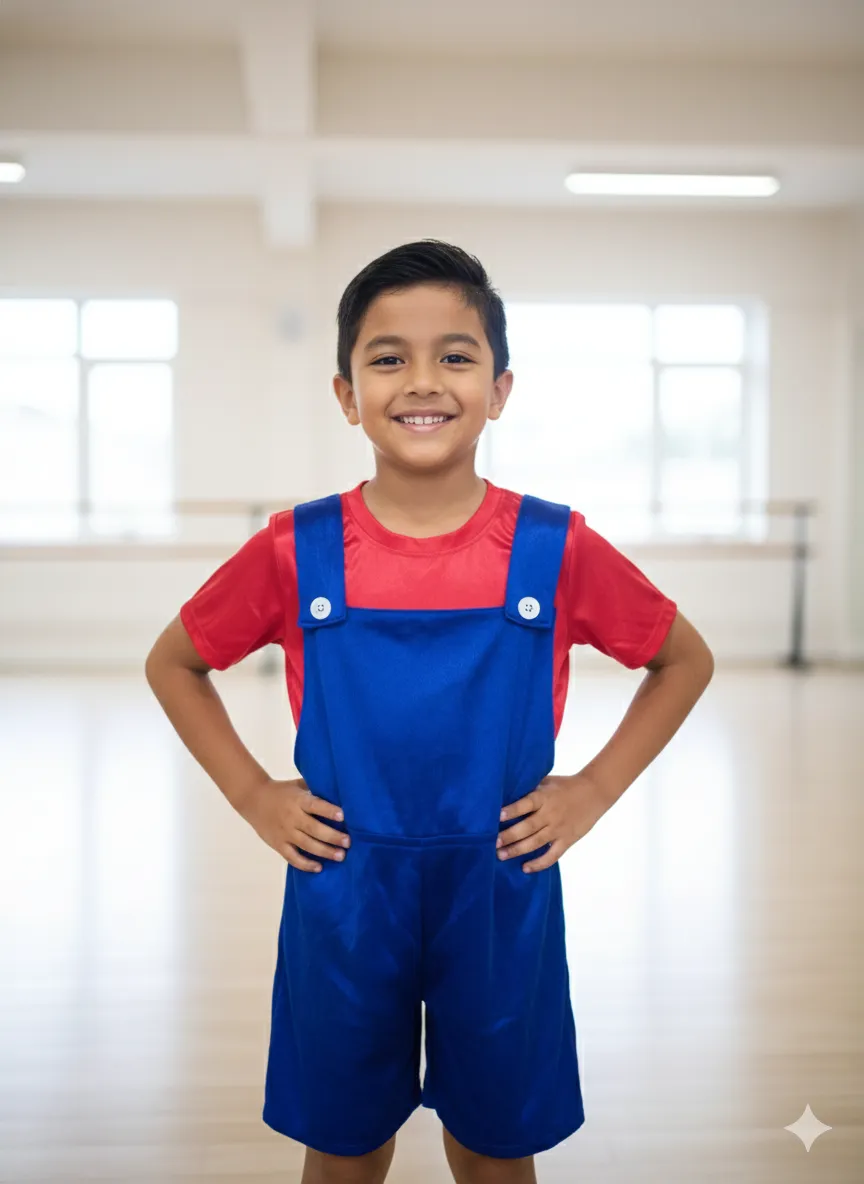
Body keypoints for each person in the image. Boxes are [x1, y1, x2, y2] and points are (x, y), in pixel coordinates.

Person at [145, 239, 714, 1184]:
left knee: (495, 1147)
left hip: (500, 884)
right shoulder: (298, 547)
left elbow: (682, 659)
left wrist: (595, 789)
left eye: (456, 356)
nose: (423, 381)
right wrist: (253, 795)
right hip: (342, 888)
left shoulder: (555, 544)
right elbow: (174, 662)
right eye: (387, 357)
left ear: (500, 388)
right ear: (345, 392)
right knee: (344, 1144)